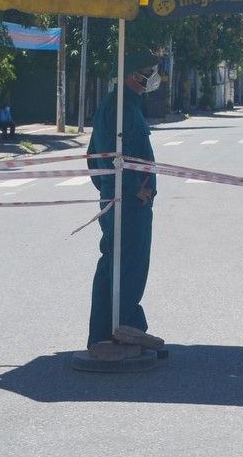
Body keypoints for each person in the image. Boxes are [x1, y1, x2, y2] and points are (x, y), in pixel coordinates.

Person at [85, 51, 165, 361]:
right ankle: (109, 332)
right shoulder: (118, 107)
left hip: (128, 199)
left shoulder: (128, 105)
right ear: (133, 74)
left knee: (125, 264)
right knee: (123, 263)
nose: (153, 76)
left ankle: (126, 326)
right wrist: (130, 190)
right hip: (127, 201)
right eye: (148, 69)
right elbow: (105, 154)